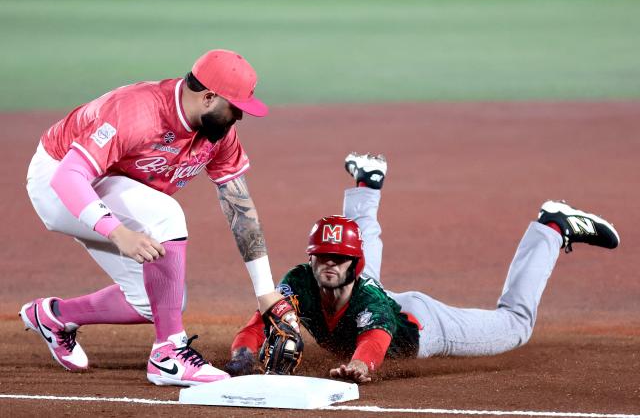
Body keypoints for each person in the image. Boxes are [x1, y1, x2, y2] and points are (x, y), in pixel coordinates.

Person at [20, 49, 299, 387]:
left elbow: (240, 207)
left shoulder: (218, 132)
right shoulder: (137, 112)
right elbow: (68, 177)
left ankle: (53, 317)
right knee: (166, 215)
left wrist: (265, 291)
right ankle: (169, 352)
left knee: (160, 301)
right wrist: (117, 231)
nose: (239, 117)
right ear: (209, 96)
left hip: (106, 183)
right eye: (235, 108)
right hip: (59, 177)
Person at [225, 152, 620, 383]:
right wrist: (243, 354)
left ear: (352, 263)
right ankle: (367, 182)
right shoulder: (302, 281)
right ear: (310, 259)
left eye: (339, 257)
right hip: (366, 295)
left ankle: (552, 227)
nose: (330, 263)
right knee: (353, 279)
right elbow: (263, 318)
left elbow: (375, 339)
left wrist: (361, 366)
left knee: (516, 325)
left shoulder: (368, 300)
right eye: (323, 257)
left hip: (424, 325)